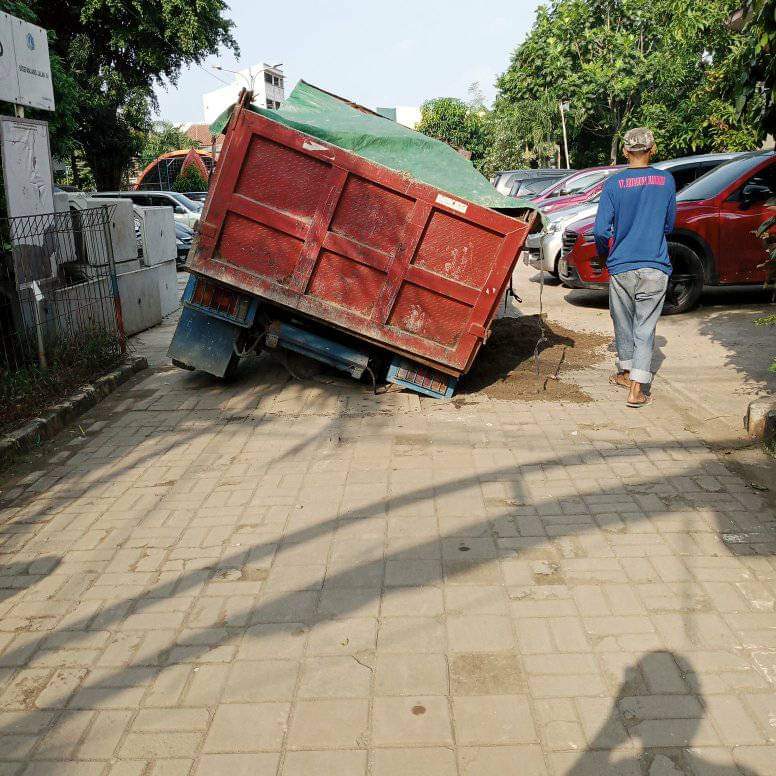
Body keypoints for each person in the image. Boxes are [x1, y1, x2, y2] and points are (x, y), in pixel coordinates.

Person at [593, 127, 676, 408]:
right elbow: (669, 224)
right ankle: (634, 385)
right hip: (654, 264)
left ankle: (630, 378)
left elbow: (601, 230)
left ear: (626, 151)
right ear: (652, 150)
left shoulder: (613, 185)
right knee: (645, 327)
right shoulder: (666, 180)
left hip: (621, 265)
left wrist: (606, 256)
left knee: (623, 322)